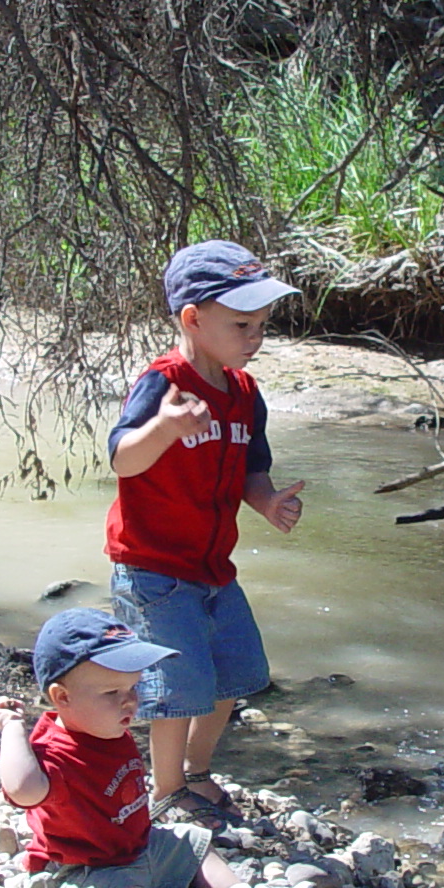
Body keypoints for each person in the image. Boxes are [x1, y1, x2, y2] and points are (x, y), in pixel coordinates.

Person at [0, 608, 312, 888]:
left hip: (136, 848)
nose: (130, 703)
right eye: (112, 693)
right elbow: (22, 789)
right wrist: (12, 728)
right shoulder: (56, 752)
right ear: (61, 697)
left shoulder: (107, 725)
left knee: (192, 843)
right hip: (79, 874)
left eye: (134, 688)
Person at [105, 239, 305, 821]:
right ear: (193, 318)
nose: (255, 338)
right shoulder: (163, 384)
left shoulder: (244, 393)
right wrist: (164, 429)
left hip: (215, 567)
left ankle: (198, 771)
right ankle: (167, 789)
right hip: (153, 568)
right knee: (175, 685)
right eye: (242, 324)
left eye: (263, 325)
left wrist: (266, 501)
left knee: (230, 676)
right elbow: (121, 459)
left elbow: (251, 465)